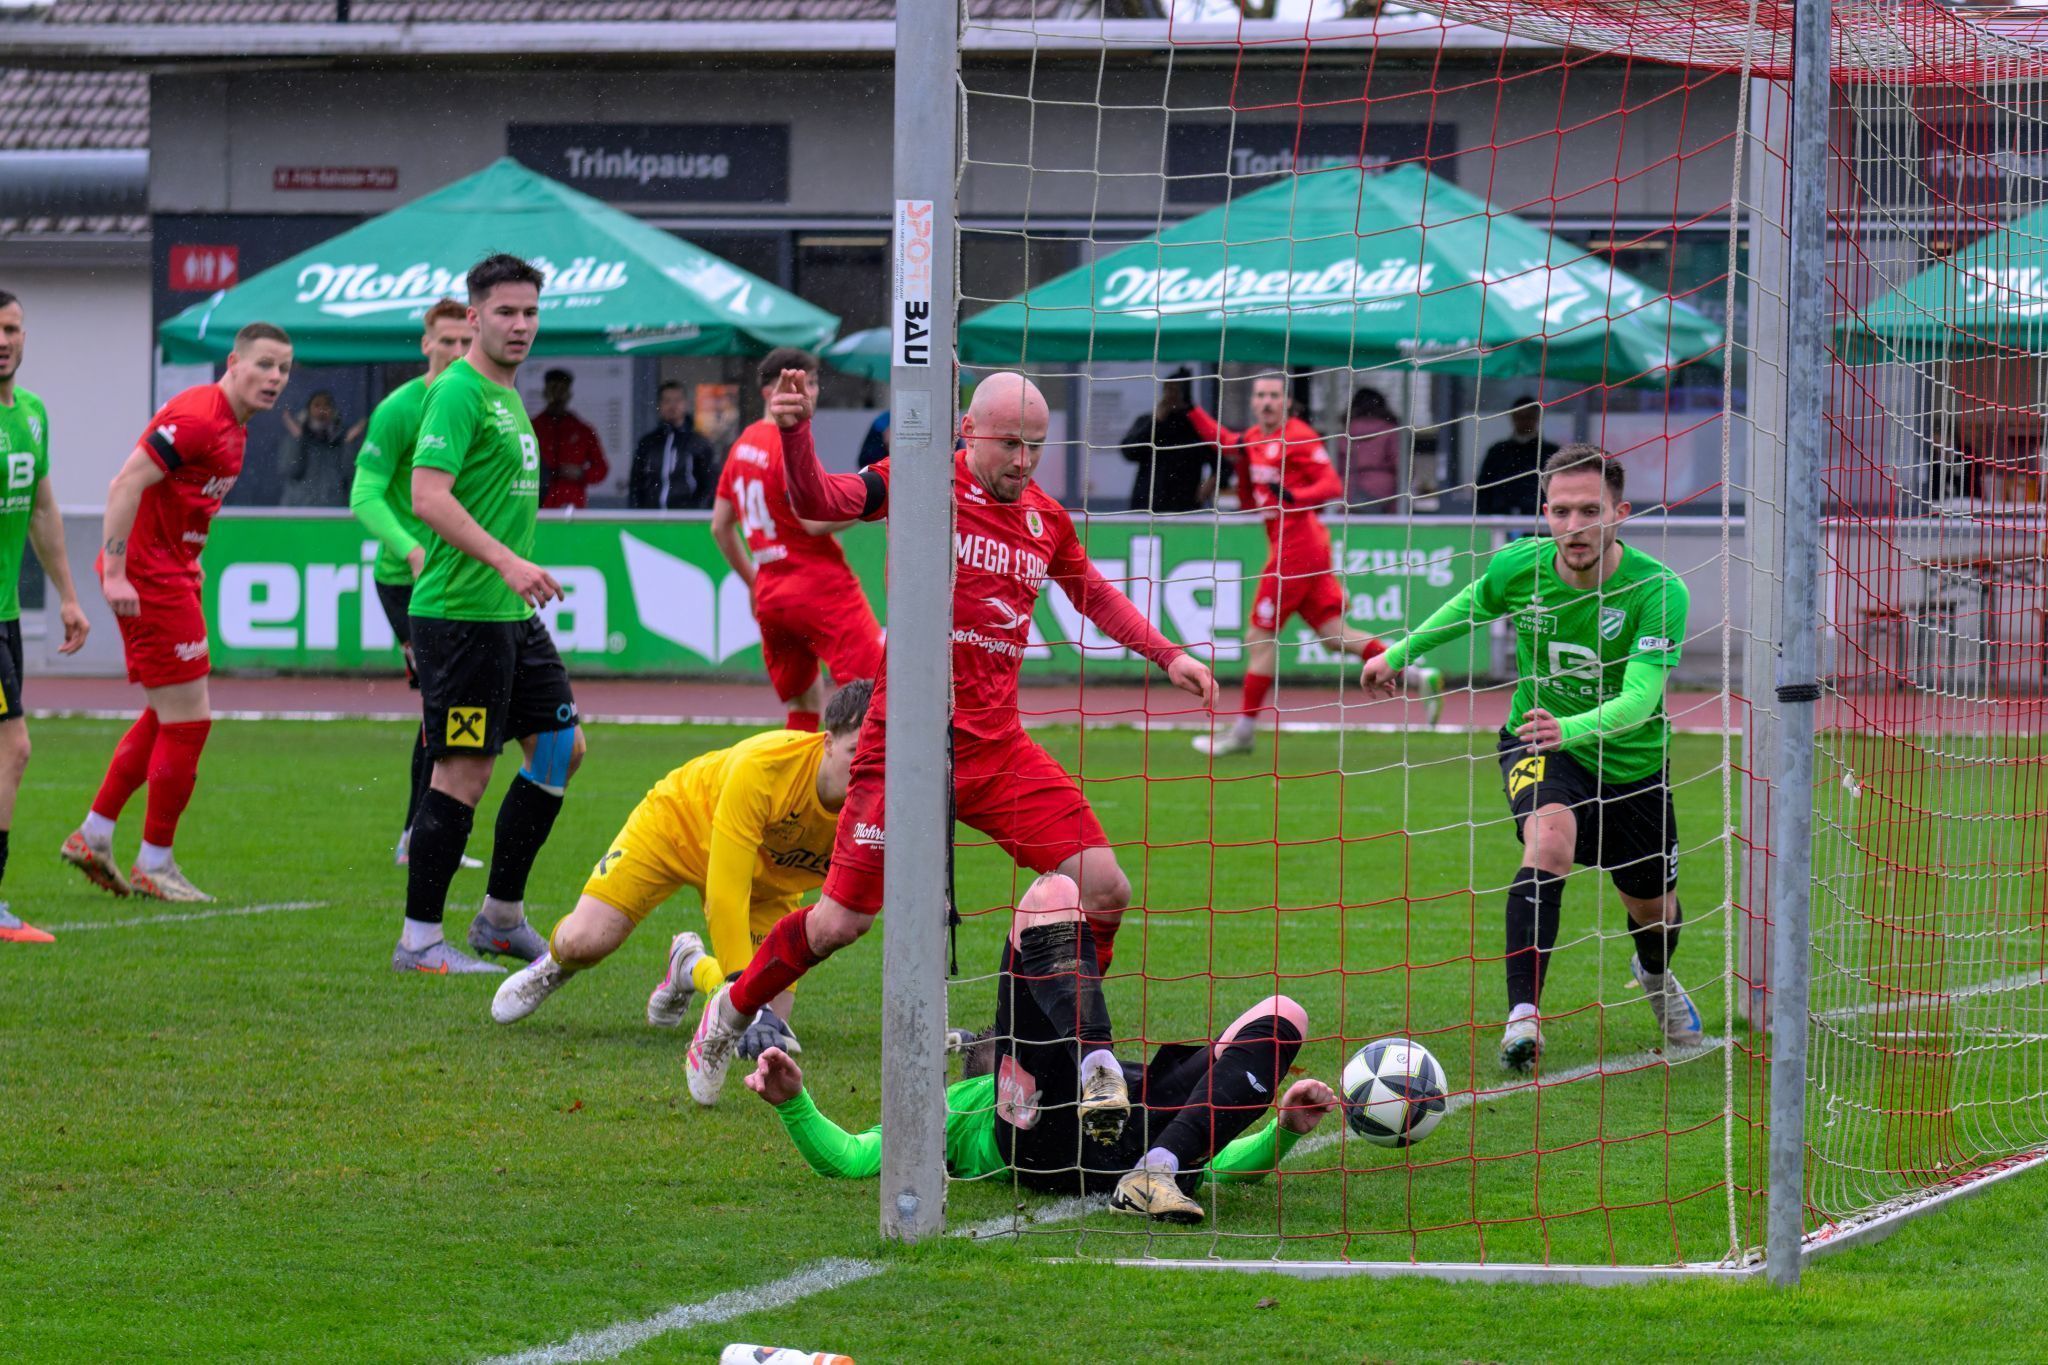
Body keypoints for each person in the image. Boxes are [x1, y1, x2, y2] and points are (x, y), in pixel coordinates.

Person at [683, 370, 1218, 1107]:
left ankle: (1062, 1056)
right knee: (842, 920)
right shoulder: (919, 480)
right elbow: (817, 501)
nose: (1023, 461)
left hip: (996, 750)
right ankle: (731, 1008)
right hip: (902, 745)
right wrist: (796, 429)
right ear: (968, 430)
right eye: (1009, 444)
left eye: (1036, 446)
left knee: (1103, 887)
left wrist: (1170, 654)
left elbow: (1092, 591)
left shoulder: (1044, 518)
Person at [1361, 444, 1700, 1072]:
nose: (1574, 527)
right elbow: (1469, 605)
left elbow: (1640, 698)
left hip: (1632, 764)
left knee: (1654, 911)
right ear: (1545, 513)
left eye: (1590, 512)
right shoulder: (1520, 566)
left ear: (1620, 513)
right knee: (1548, 843)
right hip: (1537, 740)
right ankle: (1523, 1016)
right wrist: (1400, 651)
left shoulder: (1658, 590)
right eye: (1562, 512)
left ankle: (1654, 977)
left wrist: (1570, 725)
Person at [744, 872, 1340, 1223]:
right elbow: (852, 1159)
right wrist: (794, 1104)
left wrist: (1282, 1128)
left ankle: (1154, 1175)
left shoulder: (965, 1091)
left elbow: (1222, 1159)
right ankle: (1097, 1060)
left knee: (1286, 1015)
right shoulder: (959, 1103)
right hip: (1034, 1132)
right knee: (1053, 887)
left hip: (1142, 1148)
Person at [394, 253, 586, 976]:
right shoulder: (459, 393)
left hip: (507, 616)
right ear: (473, 317)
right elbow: (427, 497)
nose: (521, 325)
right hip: (461, 616)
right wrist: (507, 560)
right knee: (464, 772)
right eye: (505, 312)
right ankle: (418, 941)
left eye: (531, 312)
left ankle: (501, 917)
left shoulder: (508, 395)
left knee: (562, 748)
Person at [490, 679, 872, 1037]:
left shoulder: (882, 805)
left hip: (768, 884)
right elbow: (726, 894)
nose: (864, 768)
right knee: (585, 942)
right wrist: (741, 988)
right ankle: (554, 964)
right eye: (856, 751)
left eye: (876, 756)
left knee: (765, 1026)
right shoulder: (764, 768)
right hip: (679, 827)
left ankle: (689, 967)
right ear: (826, 743)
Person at [60, 321, 293, 902]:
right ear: (233, 363)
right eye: (264, 364)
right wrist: (115, 573)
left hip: (171, 573)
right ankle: (154, 863)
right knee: (189, 721)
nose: (275, 378)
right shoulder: (197, 415)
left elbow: (184, 499)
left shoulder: (235, 428)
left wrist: (193, 556)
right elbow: (124, 486)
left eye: (284, 369)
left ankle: (94, 835)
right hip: (148, 578)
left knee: (171, 714)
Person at [1186, 375, 1442, 758]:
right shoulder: (1255, 436)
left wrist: (1295, 496)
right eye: (1261, 396)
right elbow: (1224, 441)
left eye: (1274, 395)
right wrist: (1189, 407)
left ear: (1288, 402)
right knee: (1333, 635)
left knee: (1259, 638)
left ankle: (1243, 731)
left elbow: (1330, 485)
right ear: (1253, 403)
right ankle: (1420, 676)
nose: (1267, 402)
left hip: (1298, 544)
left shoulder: (1300, 435)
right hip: (1297, 545)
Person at [349, 297, 482, 873]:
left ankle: (431, 830)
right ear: (426, 344)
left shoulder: (477, 401)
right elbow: (365, 493)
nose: (455, 352)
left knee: (454, 705)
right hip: (408, 584)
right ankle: (415, 834)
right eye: (445, 342)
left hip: (460, 579)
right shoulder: (401, 408)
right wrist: (408, 546)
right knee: (440, 707)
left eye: (463, 342)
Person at [711, 349, 884, 733]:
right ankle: (870, 789)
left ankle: (797, 792)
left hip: (773, 595)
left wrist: (754, 582)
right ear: (773, 390)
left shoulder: (743, 445)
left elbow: (720, 526)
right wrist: (879, 499)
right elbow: (813, 522)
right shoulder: (785, 445)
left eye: (815, 383)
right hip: (819, 587)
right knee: (878, 695)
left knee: (803, 708)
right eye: (807, 383)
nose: (814, 392)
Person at [0, 291, 90, 942]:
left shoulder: (31, 414)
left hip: (6, 613)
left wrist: (66, 594)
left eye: (10, 327)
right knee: (14, 746)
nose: (2, 339)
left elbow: (41, 510)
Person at [1118, 369, 1217, 513]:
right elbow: (1129, 452)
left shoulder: (1196, 426)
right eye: (1168, 390)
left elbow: (1222, 463)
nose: (1171, 396)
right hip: (1147, 504)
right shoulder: (1149, 421)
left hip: (1183, 506)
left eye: (1176, 391)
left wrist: (1209, 485)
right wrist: (1156, 421)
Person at [627, 381, 716, 510]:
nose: (672, 406)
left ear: (685, 404)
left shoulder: (698, 443)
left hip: (685, 520)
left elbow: (710, 485)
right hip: (651, 518)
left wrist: (697, 511)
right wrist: (638, 512)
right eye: (667, 401)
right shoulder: (648, 442)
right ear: (659, 405)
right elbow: (636, 482)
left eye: (677, 400)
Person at [531, 368, 609, 510]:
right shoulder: (532, 427)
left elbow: (601, 469)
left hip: (572, 505)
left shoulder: (582, 430)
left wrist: (580, 473)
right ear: (545, 393)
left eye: (562, 390)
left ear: (569, 394)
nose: (557, 395)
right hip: (538, 504)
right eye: (553, 389)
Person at [1474, 397, 1558, 519]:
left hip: (1539, 520)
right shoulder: (1497, 452)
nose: (1524, 421)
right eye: (1520, 416)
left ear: (1538, 418)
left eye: (1529, 416)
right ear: (1512, 417)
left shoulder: (1550, 452)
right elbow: (1483, 489)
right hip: (1500, 520)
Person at [277, 390, 362, 507]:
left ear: (333, 411)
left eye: (327, 405)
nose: (322, 410)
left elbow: (350, 474)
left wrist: (349, 443)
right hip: (298, 511)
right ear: (308, 411)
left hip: (334, 512)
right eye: (317, 405)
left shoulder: (342, 440)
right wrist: (297, 439)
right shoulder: (296, 437)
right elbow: (289, 470)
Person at [1342, 386, 1404, 511]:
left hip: (1349, 488)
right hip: (1383, 490)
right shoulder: (1391, 430)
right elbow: (1400, 464)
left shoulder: (1345, 431)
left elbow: (1338, 462)